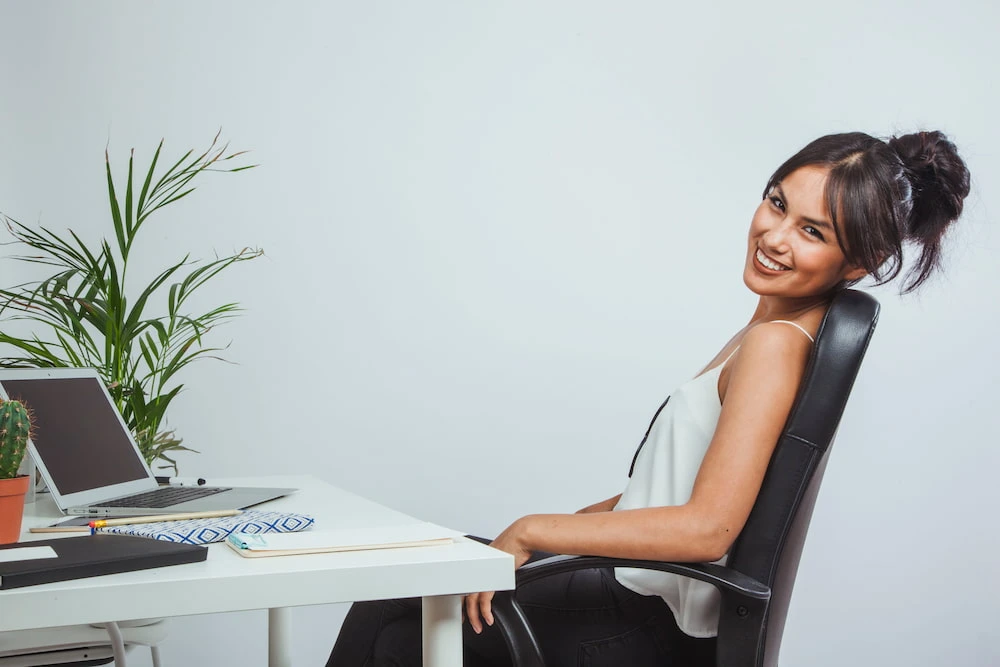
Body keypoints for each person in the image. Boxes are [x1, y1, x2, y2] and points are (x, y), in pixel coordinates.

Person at [325, 130, 971, 667]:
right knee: (409, 588)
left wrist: (531, 530)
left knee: (400, 618)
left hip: (637, 624)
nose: (775, 237)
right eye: (777, 203)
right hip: (623, 593)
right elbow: (666, 490)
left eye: (812, 231)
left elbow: (708, 526)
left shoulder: (776, 346)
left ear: (857, 261)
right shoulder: (766, 331)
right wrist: (560, 539)